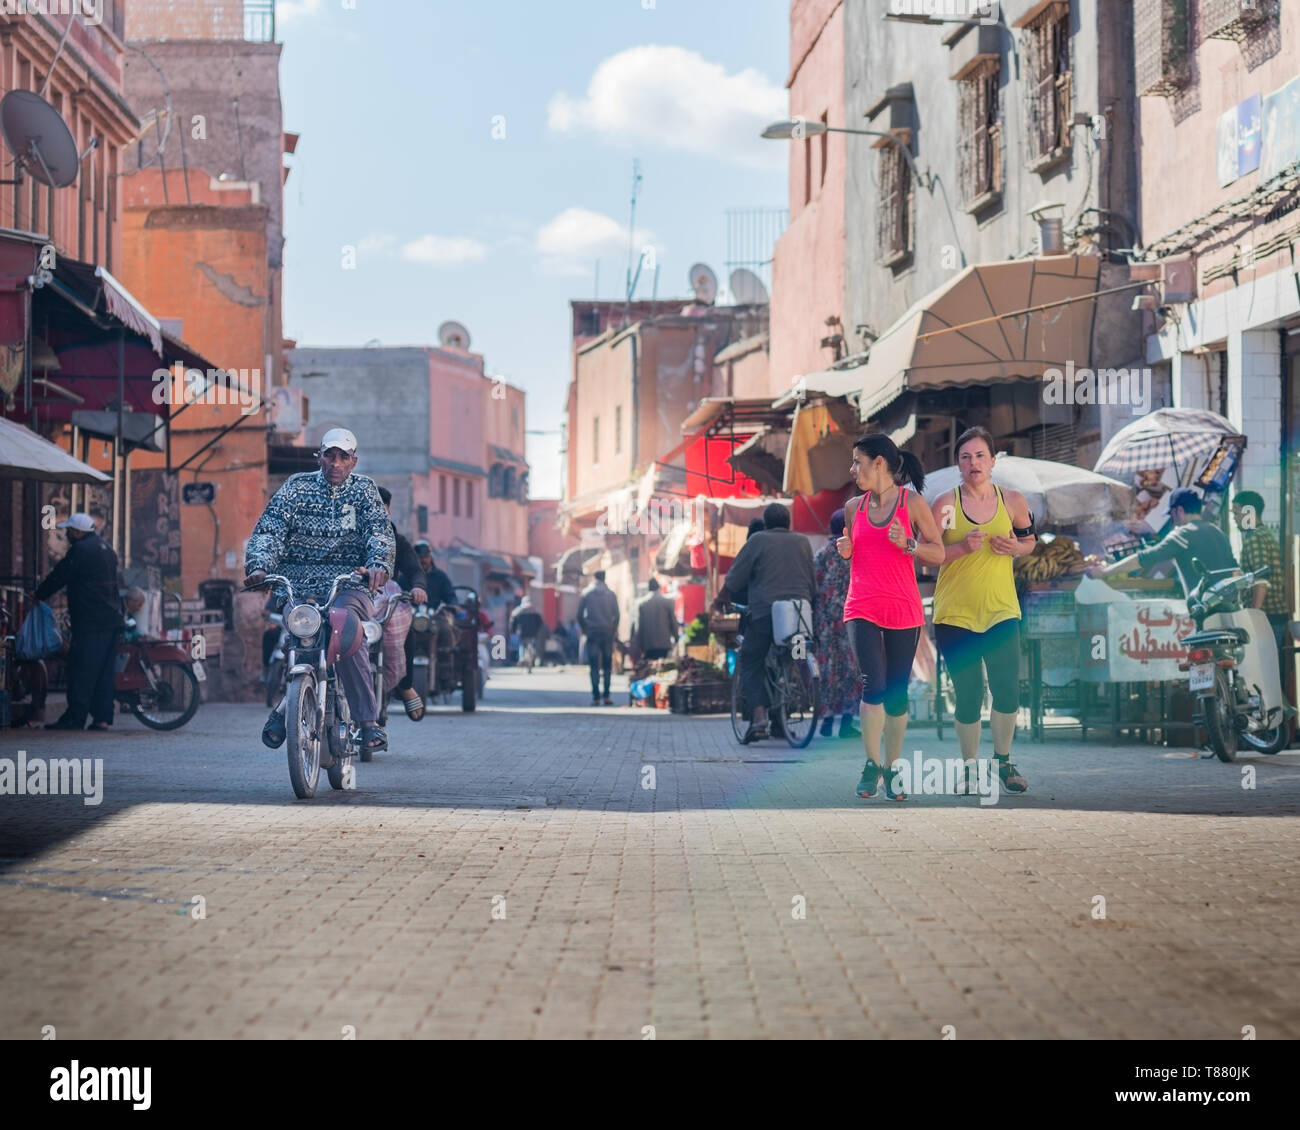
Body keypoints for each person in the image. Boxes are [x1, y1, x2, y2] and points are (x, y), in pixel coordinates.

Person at [245, 427, 395, 754]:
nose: (336, 463)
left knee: (345, 628)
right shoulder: (296, 487)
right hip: (298, 586)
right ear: (320, 457)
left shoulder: (365, 491)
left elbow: (379, 533)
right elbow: (270, 529)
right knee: (302, 633)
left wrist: (378, 564)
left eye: (343, 457)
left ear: (353, 461)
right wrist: (259, 565)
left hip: (350, 584)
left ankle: (367, 722)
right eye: (330, 455)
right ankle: (292, 702)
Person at [929, 426, 1037, 797]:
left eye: (979, 456)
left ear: (992, 461)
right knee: (969, 694)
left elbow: (1030, 540)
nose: (973, 463)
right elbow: (927, 554)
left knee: (1007, 691)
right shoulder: (945, 505)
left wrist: (1016, 548)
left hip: (1001, 611)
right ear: (958, 464)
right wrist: (961, 548)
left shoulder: (1013, 501)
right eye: (965, 457)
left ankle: (1003, 761)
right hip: (955, 614)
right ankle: (969, 768)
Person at [839, 436, 945, 798]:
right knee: (874, 686)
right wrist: (846, 551)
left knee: (897, 694)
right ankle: (872, 764)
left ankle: (893, 766)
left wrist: (909, 544)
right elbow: (856, 553)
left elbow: (938, 552)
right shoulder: (853, 507)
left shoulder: (911, 503)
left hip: (902, 607)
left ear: (879, 463)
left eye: (858, 462)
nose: (853, 469)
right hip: (861, 606)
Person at [713, 502, 817, 743]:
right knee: (793, 659)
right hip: (798, 615)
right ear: (788, 523)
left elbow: (735, 577)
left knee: (750, 661)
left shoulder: (758, 540)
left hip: (765, 616)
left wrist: (720, 600)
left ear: (766, 524)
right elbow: (812, 582)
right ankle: (785, 714)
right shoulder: (803, 542)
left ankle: (759, 718)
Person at [35, 513, 123, 731]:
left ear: (77, 532)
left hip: (91, 620)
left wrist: (38, 595)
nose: (66, 534)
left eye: (69, 530)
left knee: (81, 669)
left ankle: (74, 718)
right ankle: (102, 718)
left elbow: (60, 575)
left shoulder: (81, 550)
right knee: (104, 672)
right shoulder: (106, 548)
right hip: (112, 619)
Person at [1089, 486, 1237, 594]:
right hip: (1230, 607)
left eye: (1171, 515)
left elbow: (1143, 559)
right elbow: (1235, 570)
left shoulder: (1183, 534)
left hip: (1205, 609)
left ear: (1179, 511)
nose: (1172, 520)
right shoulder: (1219, 533)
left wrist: (1105, 572)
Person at [377, 486, 428, 719]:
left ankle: (405, 685)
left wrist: (418, 587)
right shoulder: (346, 535)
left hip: (385, 600)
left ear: (387, 510)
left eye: (379, 507)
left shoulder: (396, 540)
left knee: (407, 627)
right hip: (352, 596)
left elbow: (415, 570)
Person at [813, 509, 861, 740]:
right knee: (851, 669)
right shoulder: (857, 551)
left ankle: (827, 720)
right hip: (852, 617)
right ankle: (847, 723)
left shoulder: (822, 554)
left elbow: (814, 583)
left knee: (828, 669)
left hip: (825, 620)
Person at [1232, 490, 1291, 653]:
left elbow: (1262, 579)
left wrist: (1254, 616)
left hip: (1267, 618)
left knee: (1263, 663)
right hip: (1275, 616)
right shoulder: (1264, 534)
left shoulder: (1255, 538)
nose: (1234, 518)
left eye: (1236, 513)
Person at [578, 570, 620, 705]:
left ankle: (596, 697)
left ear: (594, 578)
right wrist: (613, 631)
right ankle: (606, 696)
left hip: (592, 632)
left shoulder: (586, 593)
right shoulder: (611, 594)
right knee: (607, 665)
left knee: (594, 665)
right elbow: (617, 616)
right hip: (607, 632)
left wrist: (585, 630)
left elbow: (579, 614)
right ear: (604, 578)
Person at [632, 577, 679, 661]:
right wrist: (676, 638)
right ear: (659, 588)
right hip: (664, 643)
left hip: (648, 644)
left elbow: (640, 627)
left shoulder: (642, 604)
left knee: (650, 665)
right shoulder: (668, 602)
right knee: (662, 665)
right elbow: (673, 622)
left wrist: (639, 645)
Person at [510, 596, 545, 668]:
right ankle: (534, 654)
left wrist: (512, 630)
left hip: (522, 632)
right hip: (533, 633)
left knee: (522, 644)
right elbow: (540, 623)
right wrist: (538, 631)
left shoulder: (517, 611)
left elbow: (513, 621)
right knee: (532, 644)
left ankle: (522, 658)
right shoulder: (534, 611)